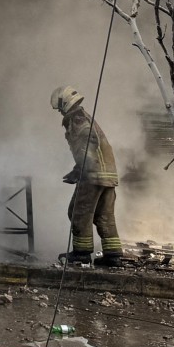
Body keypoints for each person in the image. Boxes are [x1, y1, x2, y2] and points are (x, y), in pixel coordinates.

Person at [50, 86, 125, 267]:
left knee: (78, 212)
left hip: (93, 174)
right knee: (104, 215)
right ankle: (113, 256)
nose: (60, 112)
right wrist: (77, 169)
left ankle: (81, 254)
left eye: (60, 108)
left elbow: (87, 145)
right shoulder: (84, 117)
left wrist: (81, 170)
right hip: (107, 174)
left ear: (65, 103)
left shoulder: (77, 121)